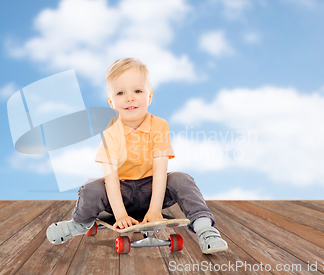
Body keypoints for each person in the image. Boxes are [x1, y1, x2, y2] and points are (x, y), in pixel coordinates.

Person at [46, 58, 228, 254]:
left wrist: (155, 210)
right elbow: (111, 179)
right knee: (91, 187)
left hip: (151, 190)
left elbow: (160, 170)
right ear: (111, 101)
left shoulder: (159, 126)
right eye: (120, 92)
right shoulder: (111, 133)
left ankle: (205, 229)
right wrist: (121, 214)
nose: (129, 98)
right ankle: (79, 224)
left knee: (181, 179)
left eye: (137, 91)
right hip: (121, 193)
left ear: (149, 97)